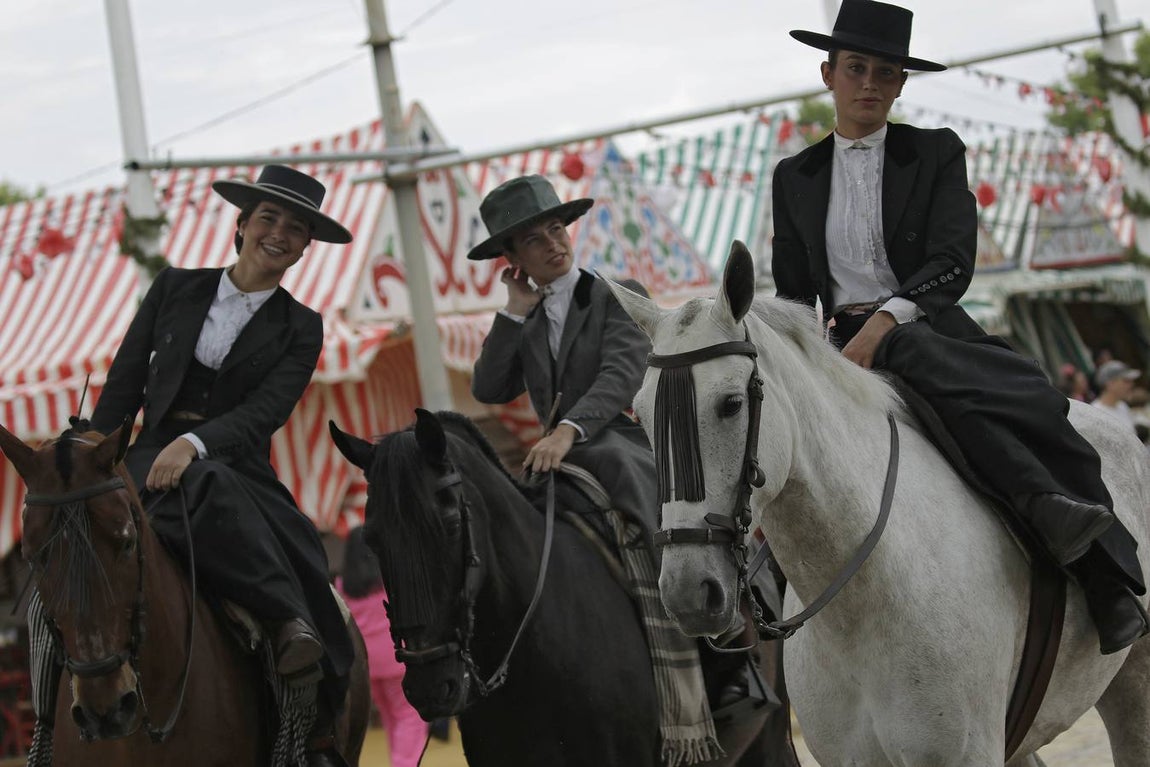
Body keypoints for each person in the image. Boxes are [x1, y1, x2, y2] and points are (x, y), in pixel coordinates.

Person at [771, 0, 1148, 654]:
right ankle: (753, 592)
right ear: (827, 74)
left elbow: (952, 260)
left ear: (901, 84)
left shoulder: (935, 152)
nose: (869, 83)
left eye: (885, 72)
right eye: (856, 68)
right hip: (837, 348)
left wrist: (883, 323)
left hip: (927, 326)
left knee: (1006, 396)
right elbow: (794, 292)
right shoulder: (794, 176)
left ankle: (1086, 552)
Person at [88, 165, 356, 765]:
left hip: (238, 469)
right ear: (241, 225)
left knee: (309, 565)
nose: (279, 233)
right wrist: (97, 455)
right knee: (69, 549)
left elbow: (265, 411)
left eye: (295, 228)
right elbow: (125, 381)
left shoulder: (302, 326)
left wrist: (195, 444)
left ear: (305, 247)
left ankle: (310, 705)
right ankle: (47, 726)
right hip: (145, 460)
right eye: (268, 218)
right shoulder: (173, 287)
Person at [468, 174, 656, 531]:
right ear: (512, 257)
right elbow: (489, 389)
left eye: (555, 229)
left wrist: (567, 430)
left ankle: (663, 566)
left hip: (623, 442)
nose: (552, 243)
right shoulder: (526, 322)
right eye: (533, 240)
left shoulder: (617, 295)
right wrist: (514, 310)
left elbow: (622, 374)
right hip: (552, 455)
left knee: (623, 470)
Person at [337, 527, 428, 767]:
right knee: (409, 717)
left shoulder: (342, 584)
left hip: (367, 666)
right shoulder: (390, 580)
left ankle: (399, 760)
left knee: (390, 718)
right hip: (397, 661)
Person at [1091, 359, 1141, 433]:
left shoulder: (1122, 406)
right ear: (1110, 384)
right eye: (1126, 381)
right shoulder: (1095, 412)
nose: (1131, 385)